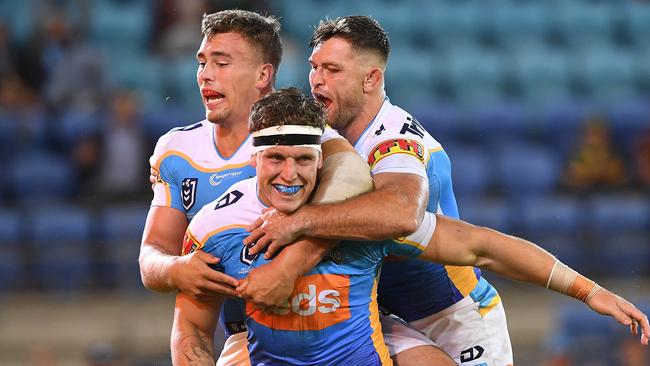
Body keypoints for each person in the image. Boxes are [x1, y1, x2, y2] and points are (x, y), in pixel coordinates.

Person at [173, 87, 649, 365]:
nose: (289, 174)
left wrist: (590, 292)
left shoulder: (361, 220)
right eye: (275, 158)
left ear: (322, 158)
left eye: (303, 159)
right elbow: (191, 331)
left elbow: (482, 247)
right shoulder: (215, 227)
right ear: (253, 156)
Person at [139, 10, 451, 365]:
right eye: (202, 62)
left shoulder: (305, 135)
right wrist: (174, 269)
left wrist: (288, 264)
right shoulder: (175, 151)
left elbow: (351, 174)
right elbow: (152, 253)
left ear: (263, 74)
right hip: (251, 327)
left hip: (339, 311)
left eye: (221, 63)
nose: (206, 75)